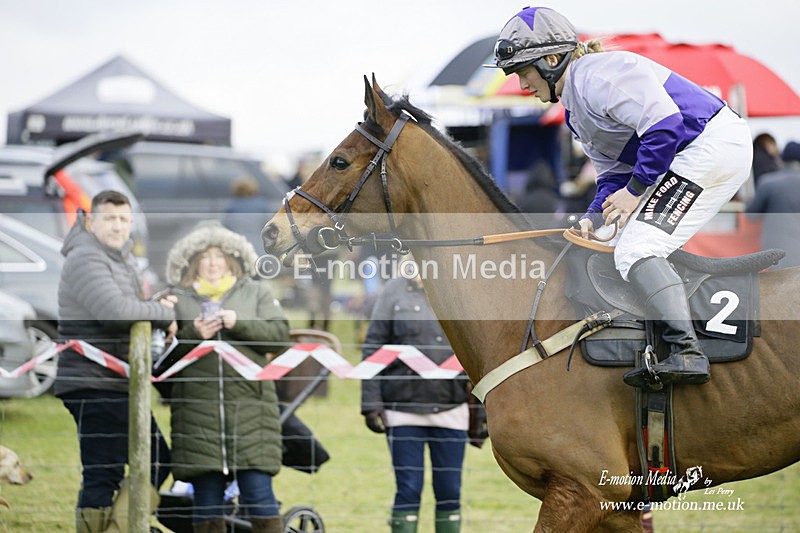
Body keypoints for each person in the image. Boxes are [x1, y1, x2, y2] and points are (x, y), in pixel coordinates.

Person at [488, 7, 753, 387]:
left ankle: (688, 352)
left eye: (523, 72)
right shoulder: (574, 110)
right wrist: (593, 217)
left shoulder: (599, 75)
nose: (522, 85)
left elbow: (665, 127)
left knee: (637, 249)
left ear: (550, 60)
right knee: (612, 241)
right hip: (688, 155)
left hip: (712, 147)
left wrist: (635, 192)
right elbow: (612, 175)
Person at [56, 190, 177, 532]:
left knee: (144, 461)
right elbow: (114, 312)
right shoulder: (86, 257)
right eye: (110, 218)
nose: (118, 225)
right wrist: (163, 312)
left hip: (113, 382)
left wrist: (154, 304)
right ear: (91, 221)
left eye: (124, 219)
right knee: (107, 471)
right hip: (93, 382)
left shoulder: (114, 258)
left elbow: (123, 307)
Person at [164, 221, 290, 533]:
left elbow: (280, 336)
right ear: (192, 263)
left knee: (260, 496)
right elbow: (160, 363)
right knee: (206, 501)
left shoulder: (257, 292)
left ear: (232, 259)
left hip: (251, 413)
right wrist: (193, 334)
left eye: (219, 256)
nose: (212, 263)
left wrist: (239, 323)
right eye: (204, 257)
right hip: (196, 416)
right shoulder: (174, 299)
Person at [361, 275, 470, 533]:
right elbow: (374, 345)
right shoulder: (392, 291)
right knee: (408, 488)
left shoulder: (459, 287)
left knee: (449, 489)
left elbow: (478, 348)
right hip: (401, 410)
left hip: (452, 408)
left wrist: (482, 409)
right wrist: (371, 402)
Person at [745, 140, 800, 268]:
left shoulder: (768, 182)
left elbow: (751, 216)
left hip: (778, 252)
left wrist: (749, 200)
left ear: (782, 159)